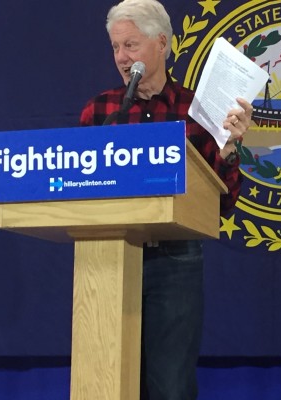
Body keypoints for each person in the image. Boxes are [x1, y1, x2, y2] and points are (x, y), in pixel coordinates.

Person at [79, 0, 251, 398]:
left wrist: (227, 151)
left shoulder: (200, 109)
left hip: (174, 260)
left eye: (132, 46)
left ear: (162, 44)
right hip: (107, 257)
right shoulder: (101, 111)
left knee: (170, 387)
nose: (122, 58)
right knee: (106, 382)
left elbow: (222, 204)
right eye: (116, 47)